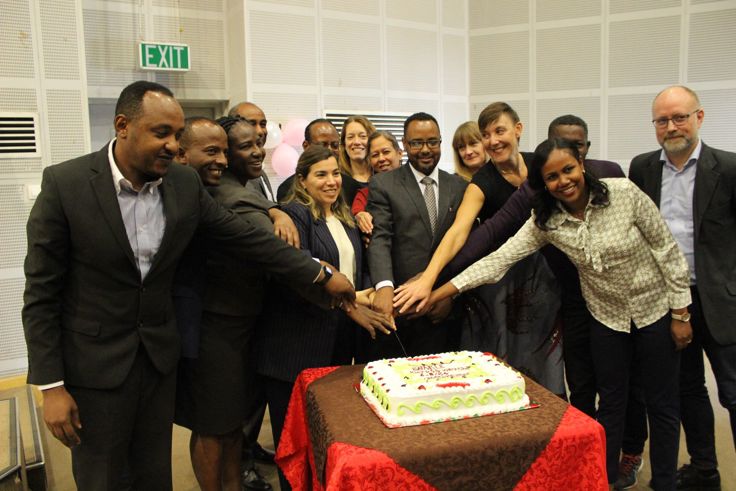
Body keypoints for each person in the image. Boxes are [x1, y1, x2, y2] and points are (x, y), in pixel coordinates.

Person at [21, 80, 356, 490]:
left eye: (177, 135)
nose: (172, 145)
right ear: (122, 125)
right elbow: (41, 294)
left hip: (160, 363)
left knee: (155, 474)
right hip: (94, 369)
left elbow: (246, 237)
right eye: (161, 133)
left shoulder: (182, 184)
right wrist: (50, 386)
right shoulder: (66, 185)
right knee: (103, 478)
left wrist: (319, 273)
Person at [425, 137, 692, 490]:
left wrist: (681, 313)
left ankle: (665, 483)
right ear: (542, 183)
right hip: (607, 316)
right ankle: (602, 481)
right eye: (552, 177)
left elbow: (666, 248)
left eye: (568, 170)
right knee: (611, 403)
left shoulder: (623, 193)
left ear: (581, 164)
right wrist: (438, 291)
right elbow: (497, 261)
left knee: (661, 403)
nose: (563, 181)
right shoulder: (545, 220)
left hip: (655, 309)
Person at [394, 102, 563, 393]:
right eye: (486, 134)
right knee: (502, 364)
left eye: (500, 131)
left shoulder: (541, 164)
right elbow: (461, 233)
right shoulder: (482, 181)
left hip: (548, 278)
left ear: (518, 130)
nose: (493, 141)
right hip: (498, 278)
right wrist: (429, 278)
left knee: (544, 358)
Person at [257, 145, 395, 490]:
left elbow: (352, 273)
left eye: (335, 173)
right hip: (295, 347)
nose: (331, 181)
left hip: (336, 342)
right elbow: (297, 272)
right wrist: (349, 305)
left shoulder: (344, 218)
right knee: (296, 443)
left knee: (326, 436)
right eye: (321, 174)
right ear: (301, 179)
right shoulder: (295, 214)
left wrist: (366, 299)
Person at [626, 85, 736, 491]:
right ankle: (706, 471)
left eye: (679, 117)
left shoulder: (728, 167)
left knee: (733, 393)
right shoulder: (642, 168)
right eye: (662, 120)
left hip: (722, 302)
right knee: (688, 389)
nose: (671, 127)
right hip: (670, 302)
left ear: (699, 117)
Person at [365, 112, 467, 360]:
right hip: (401, 311)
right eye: (416, 143)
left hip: (447, 311)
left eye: (432, 142)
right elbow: (380, 238)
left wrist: (449, 294)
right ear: (404, 145)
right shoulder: (384, 184)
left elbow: (465, 245)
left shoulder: (460, 186)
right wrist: (384, 287)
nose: (425, 149)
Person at [275, 119, 362, 203]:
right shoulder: (287, 190)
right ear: (306, 146)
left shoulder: (352, 187)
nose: (329, 150)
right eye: (322, 145)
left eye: (334, 145)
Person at [352, 130, 403, 236]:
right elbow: (356, 213)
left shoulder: (416, 185)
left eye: (386, 152)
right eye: (375, 155)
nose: (381, 159)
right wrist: (360, 217)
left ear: (400, 153)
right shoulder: (365, 193)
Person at [338, 115, 376, 187]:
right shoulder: (338, 180)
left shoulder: (382, 177)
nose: (356, 142)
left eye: (363, 136)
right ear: (344, 143)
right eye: (350, 137)